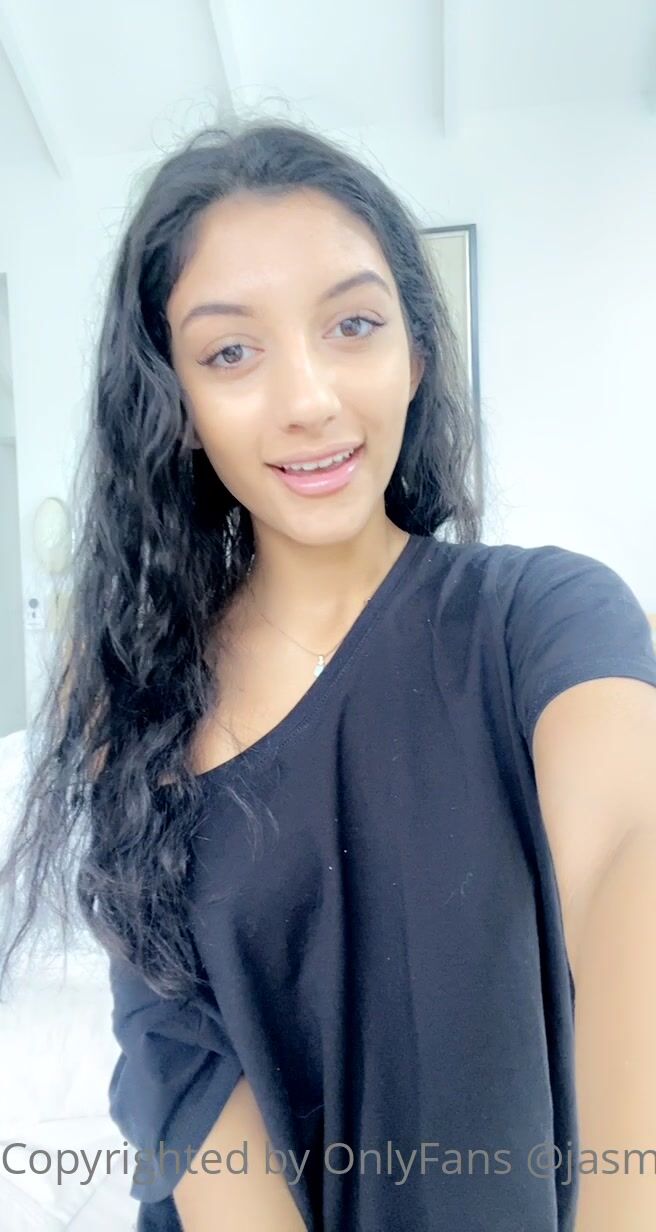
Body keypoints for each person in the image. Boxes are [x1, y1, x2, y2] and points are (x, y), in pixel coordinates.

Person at [1, 115, 655, 1232]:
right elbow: (179, 1068)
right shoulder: (136, 697)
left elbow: (630, 857)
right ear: (175, 404)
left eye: (352, 324)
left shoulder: (540, 616)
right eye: (230, 352)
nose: (307, 399)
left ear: (415, 354)